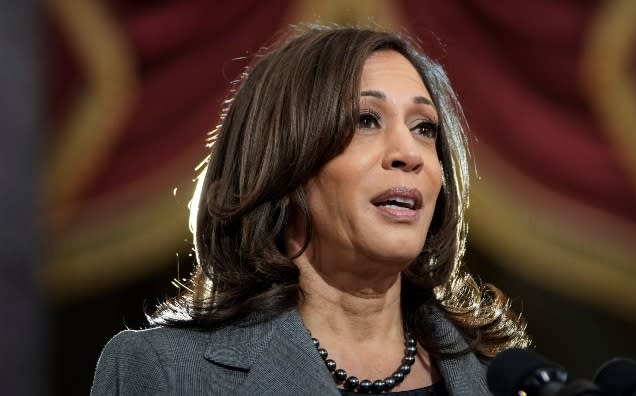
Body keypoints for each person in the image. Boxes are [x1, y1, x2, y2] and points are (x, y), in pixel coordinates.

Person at [90, 25, 530, 395]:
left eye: (424, 128)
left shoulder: (502, 377)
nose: (408, 154)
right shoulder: (163, 373)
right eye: (365, 120)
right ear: (282, 163)